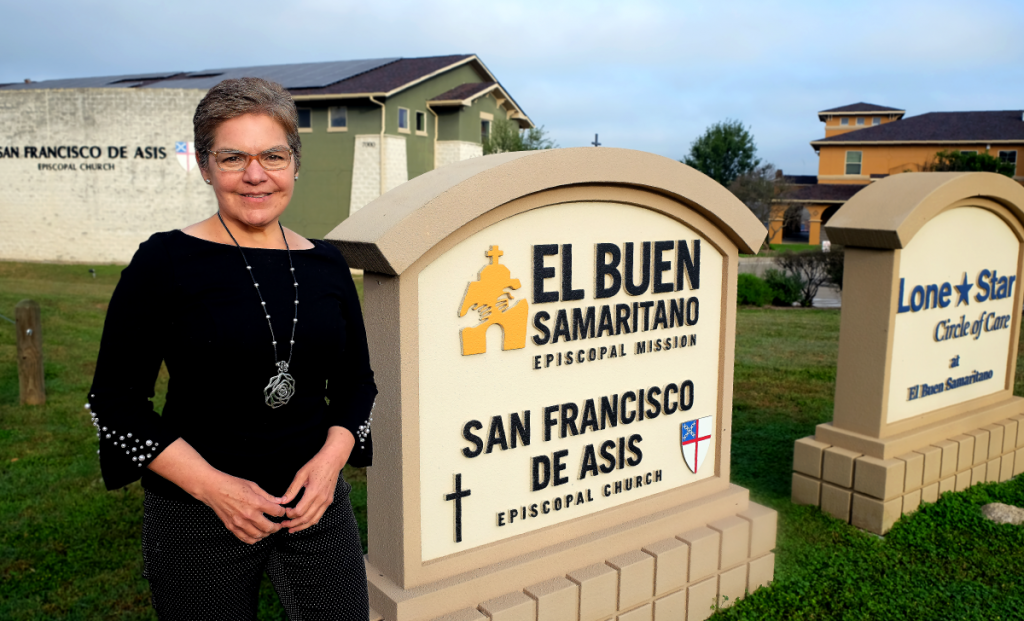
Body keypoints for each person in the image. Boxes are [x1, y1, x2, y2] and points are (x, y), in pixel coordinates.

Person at [86, 77, 376, 620]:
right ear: (204, 166)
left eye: (273, 154)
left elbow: (358, 382)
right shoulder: (165, 262)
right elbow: (116, 402)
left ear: (295, 162)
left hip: (315, 503)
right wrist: (217, 489)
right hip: (197, 511)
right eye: (232, 157)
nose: (256, 175)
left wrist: (331, 464)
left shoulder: (329, 265)